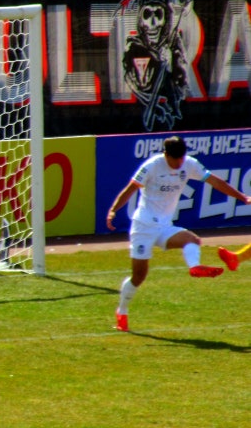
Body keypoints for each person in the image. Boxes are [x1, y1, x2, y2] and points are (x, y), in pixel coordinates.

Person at [106, 135, 251, 332]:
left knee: (192, 240)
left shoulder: (189, 164)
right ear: (166, 155)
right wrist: (114, 210)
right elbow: (131, 188)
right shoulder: (152, 165)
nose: (179, 163)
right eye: (176, 159)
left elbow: (215, 181)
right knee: (139, 276)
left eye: (182, 158)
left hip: (165, 226)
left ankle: (195, 267)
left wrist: (242, 197)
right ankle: (122, 311)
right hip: (143, 227)